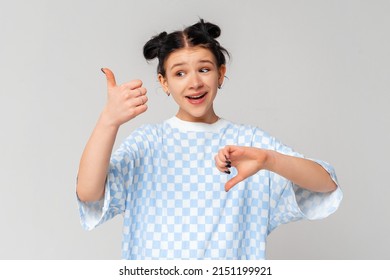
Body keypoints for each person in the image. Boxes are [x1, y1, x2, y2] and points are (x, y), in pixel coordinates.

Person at [76, 19, 342, 259]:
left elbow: (325, 185)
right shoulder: (147, 142)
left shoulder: (247, 142)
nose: (194, 83)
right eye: (180, 73)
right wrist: (108, 121)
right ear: (164, 82)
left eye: (204, 69)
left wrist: (267, 159)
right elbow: (89, 193)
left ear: (221, 73)